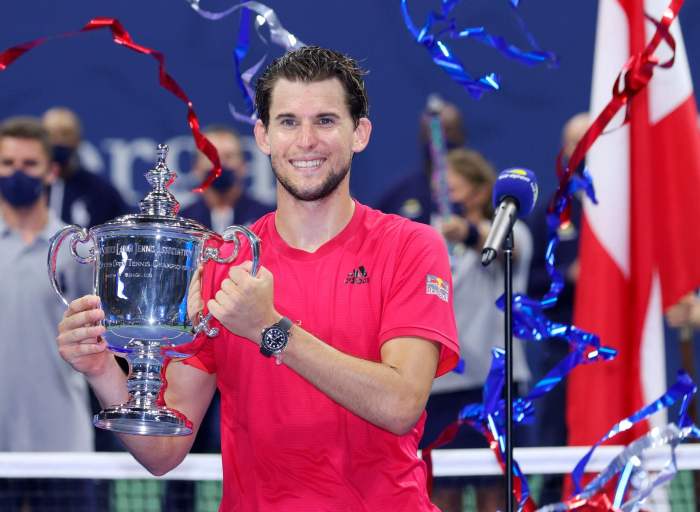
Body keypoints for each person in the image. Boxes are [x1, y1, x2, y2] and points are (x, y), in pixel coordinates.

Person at [56, 46, 460, 511]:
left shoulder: (410, 246)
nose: (306, 140)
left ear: (360, 133)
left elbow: (401, 404)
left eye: (326, 120)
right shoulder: (221, 261)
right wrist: (103, 370)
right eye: (288, 122)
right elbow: (164, 452)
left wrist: (271, 329)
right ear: (264, 136)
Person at [419, 148, 532, 512]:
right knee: (441, 494)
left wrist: (466, 231)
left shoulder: (514, 237)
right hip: (440, 388)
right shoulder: (427, 243)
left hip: (494, 386)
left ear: (480, 192)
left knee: (495, 494)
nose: (444, 194)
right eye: (439, 187)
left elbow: (488, 241)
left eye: (452, 187)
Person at [0, 116, 95, 510]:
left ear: (51, 171)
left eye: (29, 164)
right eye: (7, 164)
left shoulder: (76, 249)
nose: (17, 173)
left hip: (63, 443)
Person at [525, 111, 589, 505]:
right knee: (555, 433)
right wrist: (569, 275)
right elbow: (529, 283)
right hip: (561, 346)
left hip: (615, 343)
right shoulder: (551, 213)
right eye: (575, 143)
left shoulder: (627, 209)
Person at [376, 97, 466, 224]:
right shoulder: (401, 193)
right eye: (431, 131)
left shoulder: (477, 193)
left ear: (460, 136)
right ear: (422, 136)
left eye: (448, 130)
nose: (438, 140)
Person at [42, 106, 130, 228]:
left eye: (65, 133)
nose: (58, 141)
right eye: (50, 133)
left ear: (78, 140)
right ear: (41, 140)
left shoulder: (100, 190)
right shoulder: (32, 186)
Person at [180, 124, 272, 231]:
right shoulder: (183, 223)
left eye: (229, 156)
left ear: (243, 166)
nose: (220, 163)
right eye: (211, 156)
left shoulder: (266, 220)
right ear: (196, 168)